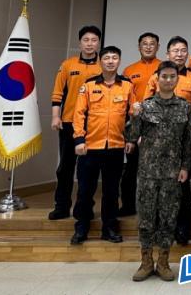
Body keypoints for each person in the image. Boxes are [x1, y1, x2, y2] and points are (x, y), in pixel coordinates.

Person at [127, 61, 191, 282]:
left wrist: (185, 167)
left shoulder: (185, 107)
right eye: (164, 76)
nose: (168, 80)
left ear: (177, 79)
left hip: (172, 174)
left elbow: (187, 141)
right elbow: (132, 136)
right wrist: (135, 116)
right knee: (146, 218)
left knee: (168, 217)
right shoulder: (145, 106)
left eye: (172, 76)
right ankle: (146, 262)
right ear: (157, 79)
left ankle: (163, 262)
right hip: (148, 171)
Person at [70, 46, 134, 245]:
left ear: (119, 61)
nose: (110, 61)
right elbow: (78, 114)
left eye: (114, 58)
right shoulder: (89, 86)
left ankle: (109, 228)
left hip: (115, 147)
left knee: (111, 192)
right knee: (84, 191)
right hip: (90, 147)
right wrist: (79, 140)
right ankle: (81, 228)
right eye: (107, 58)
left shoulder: (127, 86)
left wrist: (131, 139)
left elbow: (133, 116)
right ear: (100, 61)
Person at [144, 35, 191, 245]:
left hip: (182, 140)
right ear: (167, 53)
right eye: (175, 50)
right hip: (158, 143)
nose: (179, 54)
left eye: (183, 50)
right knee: (159, 188)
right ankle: (160, 228)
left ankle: (182, 228)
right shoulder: (156, 77)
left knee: (183, 185)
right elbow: (146, 105)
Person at [49, 25, 102, 220]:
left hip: (93, 124)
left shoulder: (103, 66)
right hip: (69, 122)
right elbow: (58, 93)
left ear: (98, 43)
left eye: (93, 40)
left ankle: (84, 208)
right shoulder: (67, 65)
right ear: (80, 42)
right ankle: (62, 206)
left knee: (88, 169)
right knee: (65, 167)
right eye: (86, 40)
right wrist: (56, 116)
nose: (89, 44)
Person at [119, 32, 161, 217]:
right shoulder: (129, 70)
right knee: (131, 167)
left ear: (158, 47)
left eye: (152, 44)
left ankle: (155, 208)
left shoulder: (164, 67)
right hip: (134, 123)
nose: (149, 47)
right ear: (139, 47)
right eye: (145, 43)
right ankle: (128, 205)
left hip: (157, 124)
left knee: (157, 168)